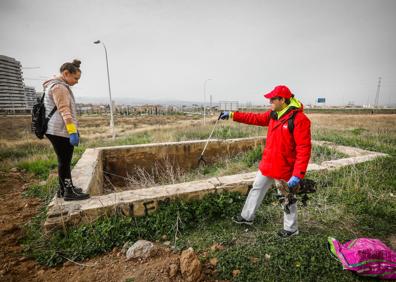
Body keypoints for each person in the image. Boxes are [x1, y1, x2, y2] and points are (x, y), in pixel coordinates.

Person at [219, 85, 311, 238]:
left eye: (272, 99)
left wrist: (298, 174)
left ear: (282, 99)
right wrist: (232, 115)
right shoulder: (273, 114)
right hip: (268, 164)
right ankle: (247, 217)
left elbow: (304, 148)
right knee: (257, 188)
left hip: (285, 168)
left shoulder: (300, 120)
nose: (270, 102)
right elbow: (254, 118)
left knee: (286, 197)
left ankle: (291, 228)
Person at [43, 59, 90, 201]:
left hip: (55, 130)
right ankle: (68, 192)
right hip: (59, 130)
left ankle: (64, 189)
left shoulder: (55, 84)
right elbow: (65, 111)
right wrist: (72, 132)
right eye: (75, 78)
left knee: (63, 161)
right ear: (66, 73)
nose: (77, 81)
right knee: (65, 161)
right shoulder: (60, 87)